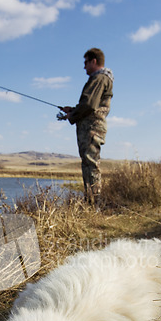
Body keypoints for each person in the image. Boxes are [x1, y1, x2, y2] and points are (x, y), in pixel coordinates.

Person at [59, 48, 114, 208]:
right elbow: (90, 104)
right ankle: (91, 202)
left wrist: (73, 116)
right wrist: (73, 110)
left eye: (86, 63)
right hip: (89, 127)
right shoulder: (100, 79)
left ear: (94, 61)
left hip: (92, 128)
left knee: (91, 164)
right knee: (88, 163)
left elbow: (89, 104)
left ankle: (94, 205)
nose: (84, 67)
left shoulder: (99, 78)